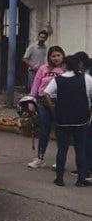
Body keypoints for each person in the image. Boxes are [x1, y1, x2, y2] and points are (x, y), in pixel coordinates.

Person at [43, 54, 92, 187]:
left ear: (65, 65)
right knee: (80, 148)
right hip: (81, 119)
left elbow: (45, 94)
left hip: (62, 119)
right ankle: (81, 179)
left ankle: (59, 179)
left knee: (62, 149)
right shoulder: (86, 78)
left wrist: (53, 108)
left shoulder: (57, 80)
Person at [27, 45, 65, 168]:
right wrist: (31, 101)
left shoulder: (65, 70)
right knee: (44, 131)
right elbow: (35, 85)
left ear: (63, 56)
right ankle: (40, 158)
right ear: (49, 57)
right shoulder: (43, 68)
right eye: (53, 56)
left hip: (59, 104)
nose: (56, 58)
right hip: (42, 102)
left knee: (60, 131)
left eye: (58, 55)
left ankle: (60, 161)